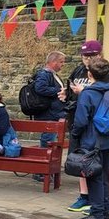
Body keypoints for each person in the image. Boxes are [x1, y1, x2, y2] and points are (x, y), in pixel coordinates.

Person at [65, 40, 109, 214]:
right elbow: (70, 94)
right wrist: (65, 95)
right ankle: (85, 197)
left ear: (99, 55)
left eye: (90, 55)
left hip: (100, 128)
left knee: (103, 167)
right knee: (81, 162)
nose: (86, 59)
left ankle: (106, 202)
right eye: (84, 55)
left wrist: (85, 92)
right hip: (81, 125)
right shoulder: (78, 71)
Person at [31, 51, 67, 182]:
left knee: (50, 141)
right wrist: (59, 91)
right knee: (47, 141)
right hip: (48, 114)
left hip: (54, 113)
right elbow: (40, 88)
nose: (63, 64)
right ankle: (41, 170)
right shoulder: (44, 74)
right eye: (61, 62)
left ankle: (46, 169)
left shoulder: (52, 75)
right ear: (53, 62)